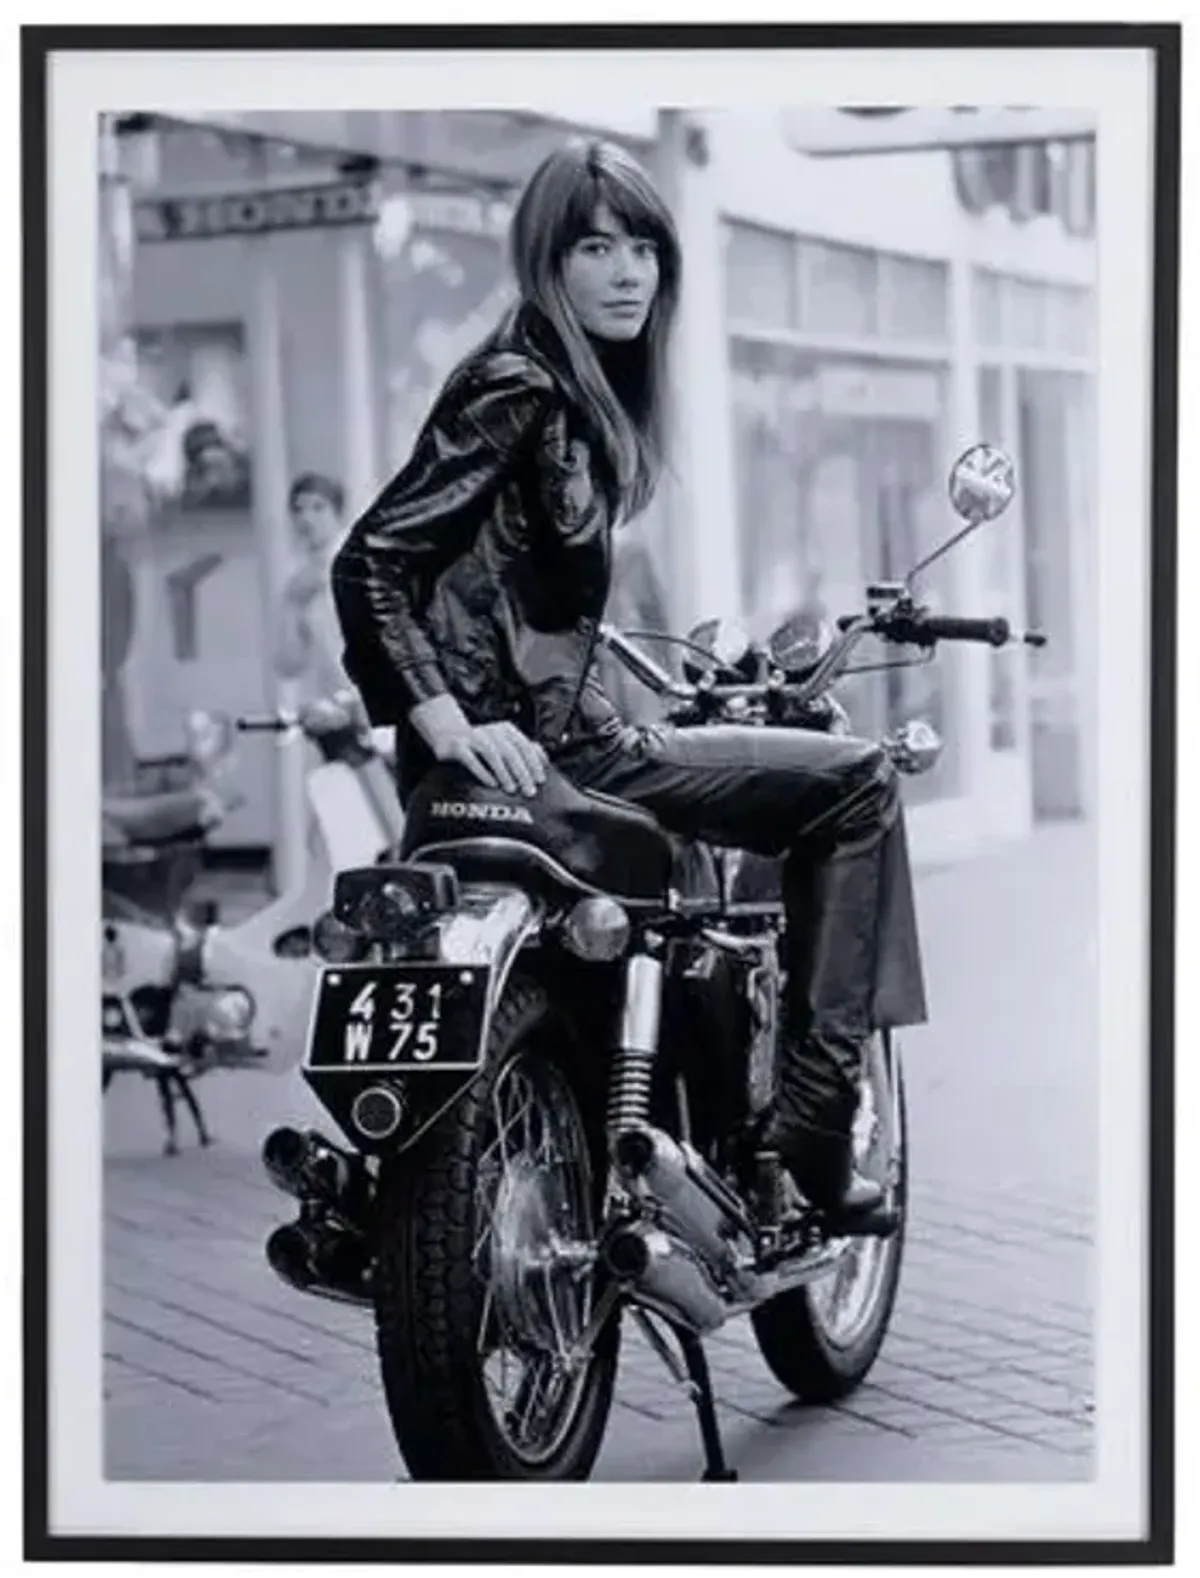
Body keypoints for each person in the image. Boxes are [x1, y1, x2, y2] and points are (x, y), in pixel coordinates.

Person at [331, 138, 927, 1223]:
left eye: (644, 247)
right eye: (595, 246)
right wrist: (445, 715)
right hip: (562, 749)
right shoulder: (523, 384)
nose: (626, 272)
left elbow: (505, 594)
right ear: (546, 261)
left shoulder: (559, 390)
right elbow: (373, 558)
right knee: (859, 783)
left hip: (542, 732)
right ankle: (815, 1124)